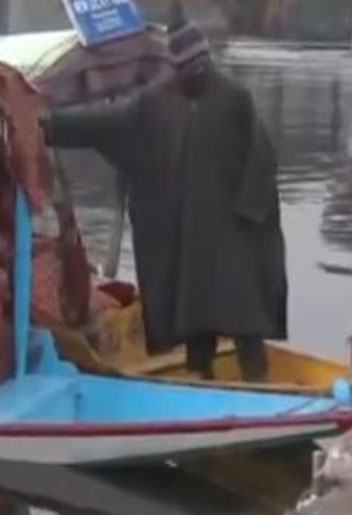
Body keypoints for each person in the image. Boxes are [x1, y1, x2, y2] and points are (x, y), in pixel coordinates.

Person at [43, 23, 286, 382]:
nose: (197, 71)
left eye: (202, 63)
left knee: (244, 313)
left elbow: (262, 161)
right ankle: (200, 379)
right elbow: (107, 124)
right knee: (194, 314)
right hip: (186, 232)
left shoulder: (235, 98)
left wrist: (250, 211)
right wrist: (50, 126)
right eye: (188, 66)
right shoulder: (155, 102)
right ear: (176, 67)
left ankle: (258, 379)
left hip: (234, 233)